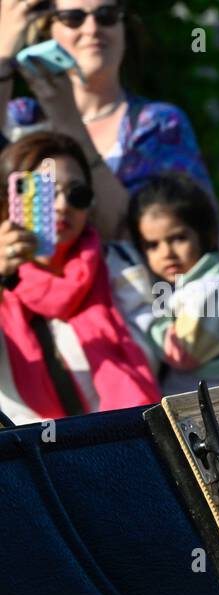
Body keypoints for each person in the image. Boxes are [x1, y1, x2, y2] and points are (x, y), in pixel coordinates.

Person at [0, 0, 212, 241]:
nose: (92, 28)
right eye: (73, 17)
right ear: (47, 31)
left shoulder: (159, 124)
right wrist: (3, 56)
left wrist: (69, 123)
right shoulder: (21, 118)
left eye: (107, 15)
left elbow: (159, 238)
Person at [0, 131, 159, 424]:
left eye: (77, 194)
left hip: (130, 444)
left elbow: (166, 351)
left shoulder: (120, 262)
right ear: (11, 198)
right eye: (44, 192)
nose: (62, 205)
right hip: (33, 459)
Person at [122, 172, 219, 394]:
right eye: (152, 245)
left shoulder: (214, 288)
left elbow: (180, 352)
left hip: (216, 406)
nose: (167, 253)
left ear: (206, 235)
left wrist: (142, 312)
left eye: (178, 238)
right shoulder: (186, 286)